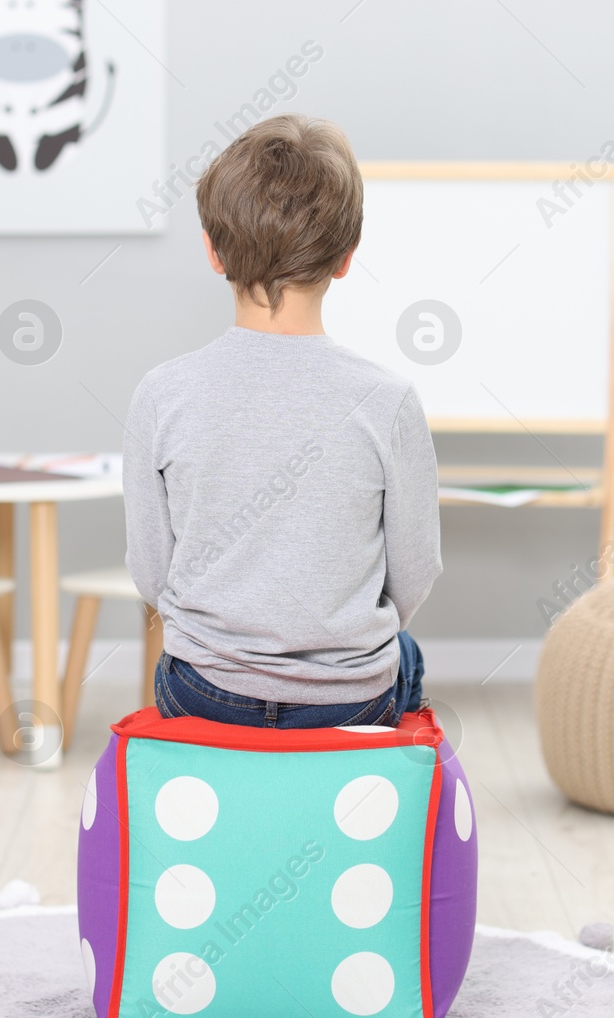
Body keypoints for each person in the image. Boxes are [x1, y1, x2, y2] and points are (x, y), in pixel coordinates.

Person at [123, 114, 442, 729]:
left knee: (182, 660)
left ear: (214, 252)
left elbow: (152, 572)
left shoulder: (161, 394)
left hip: (203, 692)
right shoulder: (389, 400)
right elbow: (415, 571)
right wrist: (336, 648)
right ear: (347, 257)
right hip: (352, 696)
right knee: (407, 656)